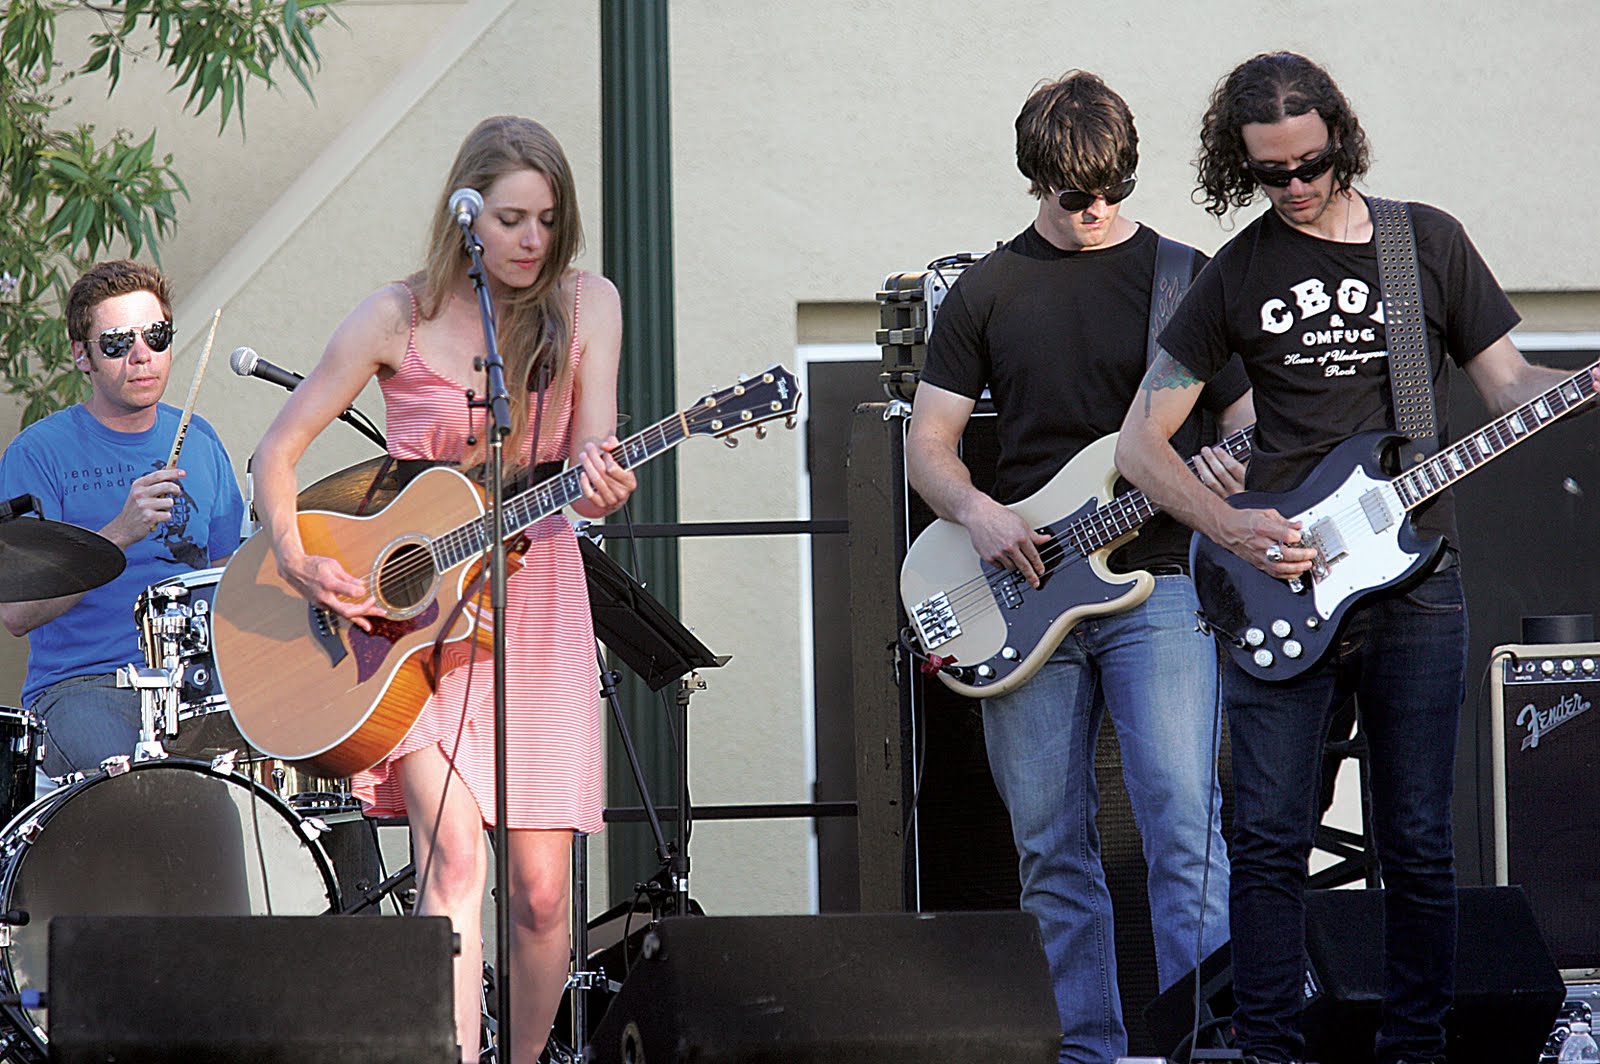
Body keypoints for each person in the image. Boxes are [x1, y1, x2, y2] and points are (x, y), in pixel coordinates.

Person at [1114, 51, 1600, 1064]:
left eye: (1310, 163)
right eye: (1270, 173)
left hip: (1417, 585)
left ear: (1340, 137)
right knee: (1265, 838)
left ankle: (1417, 1045)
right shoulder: (1237, 270)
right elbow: (1139, 446)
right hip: (1276, 575)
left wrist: (1582, 383)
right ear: (1240, 164)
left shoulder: (1424, 242)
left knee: (1416, 835)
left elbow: (1507, 383)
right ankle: (1269, 1049)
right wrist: (1229, 526)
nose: (1294, 186)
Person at [250, 115, 635, 1063]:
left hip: (536, 603)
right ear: (466, 218)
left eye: (548, 219)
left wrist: (599, 483)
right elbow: (277, 454)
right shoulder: (398, 316)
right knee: (455, 859)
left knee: (542, 895)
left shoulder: (588, 306)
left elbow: (593, 452)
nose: (532, 239)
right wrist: (300, 561)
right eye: (510, 219)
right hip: (411, 628)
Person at [905, 70, 1250, 1064]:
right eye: (1074, 193)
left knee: (1184, 826)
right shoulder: (986, 290)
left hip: (1161, 583)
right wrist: (976, 510)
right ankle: (1087, 1049)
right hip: (1021, 589)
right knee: (1050, 846)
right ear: (1035, 178)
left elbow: (1247, 420)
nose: (1096, 208)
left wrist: (1235, 464)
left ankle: (1205, 1043)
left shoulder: (1186, 279)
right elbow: (929, 445)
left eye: (1112, 189)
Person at [0, 260, 244, 777]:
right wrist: (119, 534)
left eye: (156, 336)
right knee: (141, 784)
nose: (141, 355)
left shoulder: (199, 439)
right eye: (116, 342)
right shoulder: (38, 453)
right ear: (81, 356)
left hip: (195, 687)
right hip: (86, 684)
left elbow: (226, 575)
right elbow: (17, 615)